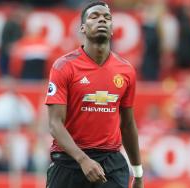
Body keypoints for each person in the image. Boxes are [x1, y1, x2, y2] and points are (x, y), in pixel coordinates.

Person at [45, 1, 143, 188]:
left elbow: (128, 124)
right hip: (69, 161)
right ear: (83, 27)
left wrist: (138, 173)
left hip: (111, 164)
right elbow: (54, 123)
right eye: (94, 17)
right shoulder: (64, 66)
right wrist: (83, 160)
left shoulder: (126, 70)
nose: (102, 21)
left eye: (107, 18)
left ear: (112, 29)